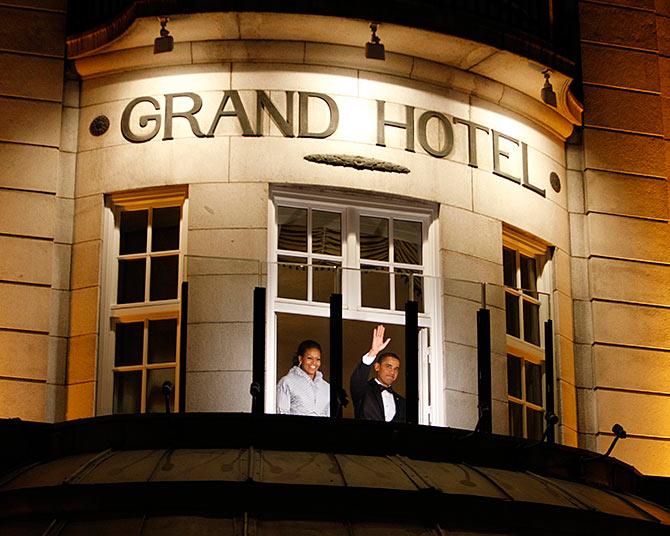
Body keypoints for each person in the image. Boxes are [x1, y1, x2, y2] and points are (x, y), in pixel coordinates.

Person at [350, 325, 405, 422]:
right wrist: (373, 352)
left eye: (396, 369)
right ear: (377, 367)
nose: (392, 372)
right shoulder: (363, 390)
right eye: (388, 366)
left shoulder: (402, 402)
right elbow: (357, 379)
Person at [276, 340, 330, 417]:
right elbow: (281, 415)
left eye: (318, 359)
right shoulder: (287, 382)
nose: (314, 363)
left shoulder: (326, 387)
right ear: (300, 359)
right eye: (309, 358)